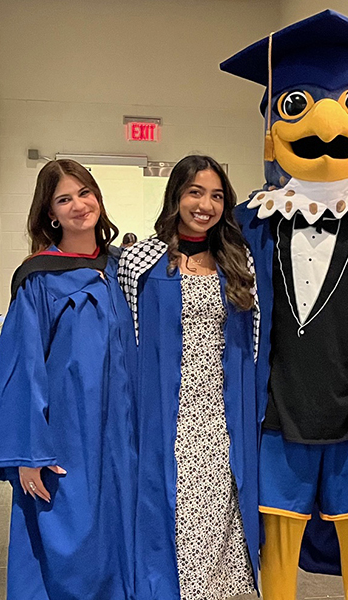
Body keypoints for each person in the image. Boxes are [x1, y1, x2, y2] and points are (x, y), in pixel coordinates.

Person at [220, 11, 348, 599]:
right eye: (297, 105)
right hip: (278, 414)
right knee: (276, 539)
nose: (327, 122)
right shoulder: (251, 221)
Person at [0, 159, 137, 600]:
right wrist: (28, 452)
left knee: (121, 532)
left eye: (85, 193)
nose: (78, 205)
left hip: (123, 433)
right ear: (50, 213)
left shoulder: (123, 269)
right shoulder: (39, 278)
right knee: (71, 537)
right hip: (69, 434)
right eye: (64, 199)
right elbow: (22, 367)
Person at [117, 155, 260, 600]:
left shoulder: (237, 259)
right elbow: (124, 339)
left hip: (218, 409)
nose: (206, 204)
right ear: (176, 195)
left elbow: (249, 339)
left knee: (218, 515)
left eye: (217, 195)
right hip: (164, 409)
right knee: (171, 511)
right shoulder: (140, 261)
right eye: (195, 192)